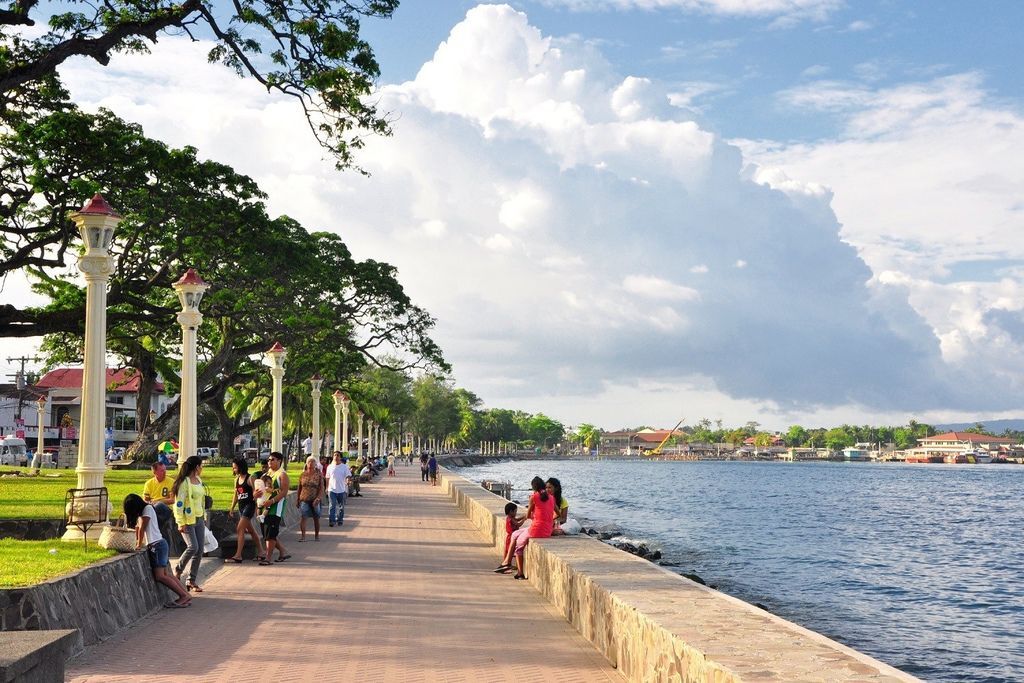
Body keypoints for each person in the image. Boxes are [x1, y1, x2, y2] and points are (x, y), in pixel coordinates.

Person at [123, 494, 191, 608]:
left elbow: (143, 527)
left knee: (160, 576)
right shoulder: (144, 511)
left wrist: (139, 544)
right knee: (166, 574)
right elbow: (138, 528)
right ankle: (185, 595)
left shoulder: (147, 509)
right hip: (158, 544)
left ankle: (183, 595)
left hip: (157, 545)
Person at [496, 476, 554, 580]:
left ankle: (520, 573)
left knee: (519, 545)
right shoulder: (551, 497)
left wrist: (530, 508)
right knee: (514, 534)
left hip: (536, 530)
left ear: (534, 488)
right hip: (547, 530)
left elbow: (528, 515)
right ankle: (507, 562)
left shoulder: (534, 497)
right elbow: (554, 513)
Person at [171, 455, 208, 593]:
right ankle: (178, 569)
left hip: (199, 518)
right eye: (201, 466)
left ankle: (191, 580)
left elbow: (202, 500)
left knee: (199, 551)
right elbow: (178, 504)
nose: (202, 468)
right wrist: (180, 522)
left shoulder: (198, 480)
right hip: (187, 520)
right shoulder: (184, 483)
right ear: (196, 467)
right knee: (193, 547)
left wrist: (203, 516)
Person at [226, 457, 263, 563]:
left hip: (249, 506)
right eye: (233, 468)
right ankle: (261, 552)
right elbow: (236, 495)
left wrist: (256, 499)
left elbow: (257, 492)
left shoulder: (250, 478)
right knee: (251, 531)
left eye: (235, 468)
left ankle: (238, 555)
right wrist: (232, 508)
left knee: (239, 528)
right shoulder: (236, 480)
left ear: (241, 467)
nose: (234, 470)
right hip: (241, 507)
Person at [259, 452, 291, 564]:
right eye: (269, 460)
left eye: (272, 459)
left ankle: (268, 558)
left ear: (279, 461)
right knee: (267, 533)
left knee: (271, 535)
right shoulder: (266, 474)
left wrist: (272, 501)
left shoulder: (282, 475)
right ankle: (283, 552)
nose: (270, 462)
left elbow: (284, 492)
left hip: (275, 508)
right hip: (264, 509)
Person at [297, 455, 324, 541]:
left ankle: (317, 536)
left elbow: (321, 488)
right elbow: (299, 487)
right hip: (304, 498)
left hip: (315, 499)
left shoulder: (318, 475)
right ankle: (303, 536)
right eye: (309, 462)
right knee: (303, 517)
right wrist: (298, 499)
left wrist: (318, 498)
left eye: (313, 462)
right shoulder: (303, 474)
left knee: (316, 517)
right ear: (306, 463)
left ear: (315, 464)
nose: (311, 463)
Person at [142, 461, 175, 528]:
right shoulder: (149, 483)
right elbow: (146, 501)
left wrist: (158, 501)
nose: (165, 472)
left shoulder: (172, 482)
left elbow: (173, 500)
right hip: (153, 508)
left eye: (165, 469)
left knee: (159, 506)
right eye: (162, 470)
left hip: (167, 509)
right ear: (155, 472)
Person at [494, 502, 522, 573]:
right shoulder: (511, 519)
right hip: (511, 537)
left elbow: (517, 519)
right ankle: (507, 564)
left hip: (509, 537)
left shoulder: (509, 517)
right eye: (515, 511)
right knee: (511, 551)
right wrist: (524, 520)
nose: (516, 513)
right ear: (511, 512)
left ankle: (506, 563)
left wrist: (524, 516)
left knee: (507, 551)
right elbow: (518, 524)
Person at [325, 452, 351, 527]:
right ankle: (332, 521)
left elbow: (348, 475)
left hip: (341, 490)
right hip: (332, 489)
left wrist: (348, 480)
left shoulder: (344, 467)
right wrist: (327, 487)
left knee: (341, 506)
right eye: (334, 455)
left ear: (340, 457)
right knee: (332, 505)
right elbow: (327, 478)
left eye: (338, 455)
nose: (336, 457)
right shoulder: (330, 467)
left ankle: (340, 520)